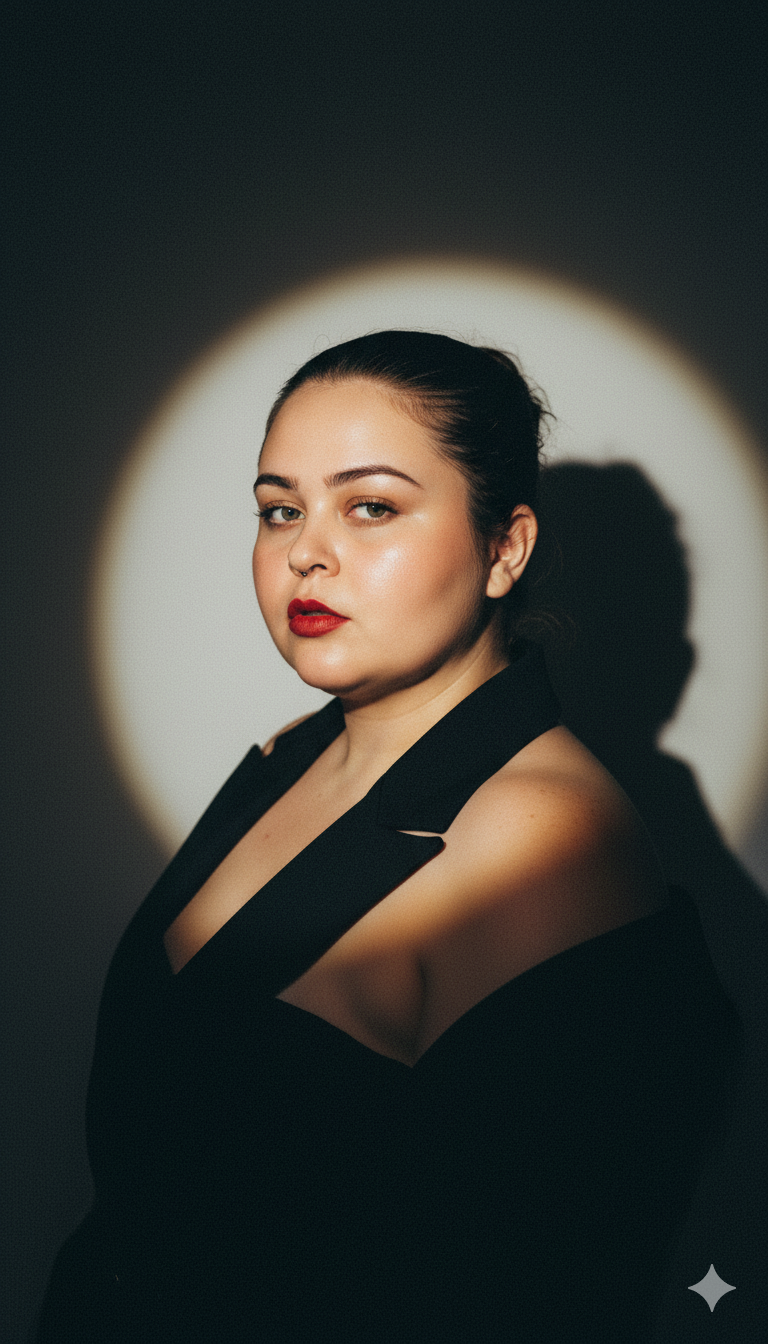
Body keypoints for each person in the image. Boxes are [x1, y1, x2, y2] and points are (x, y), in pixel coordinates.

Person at [36, 331, 741, 1343]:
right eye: (281, 509)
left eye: (370, 506)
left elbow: (537, 1289)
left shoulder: (541, 833)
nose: (305, 552)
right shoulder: (290, 754)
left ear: (506, 548)